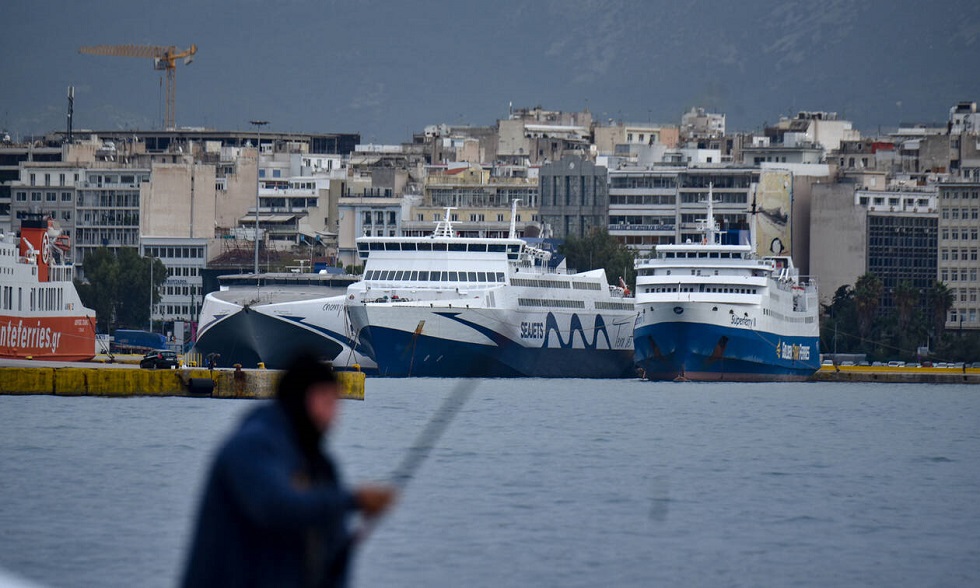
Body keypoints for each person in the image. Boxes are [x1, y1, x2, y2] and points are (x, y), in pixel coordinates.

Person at [181, 352, 396, 588]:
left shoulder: (319, 465)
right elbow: (273, 504)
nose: (334, 416)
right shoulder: (251, 446)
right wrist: (353, 500)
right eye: (327, 401)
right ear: (305, 397)